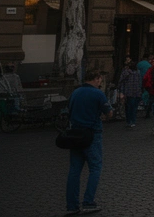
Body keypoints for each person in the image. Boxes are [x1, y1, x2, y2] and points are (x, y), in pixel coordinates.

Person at [65, 69, 113, 214]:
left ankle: (72, 206)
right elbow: (109, 113)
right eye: (100, 80)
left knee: (74, 170)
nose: (101, 83)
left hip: (75, 134)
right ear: (97, 79)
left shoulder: (75, 92)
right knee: (95, 168)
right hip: (92, 134)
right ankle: (88, 202)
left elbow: (69, 110)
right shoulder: (98, 93)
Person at [117, 59, 143, 129]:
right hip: (136, 92)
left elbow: (121, 82)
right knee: (134, 108)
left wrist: (121, 90)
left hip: (128, 92)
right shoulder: (138, 72)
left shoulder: (126, 72)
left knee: (128, 108)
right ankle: (133, 121)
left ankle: (129, 121)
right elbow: (140, 82)